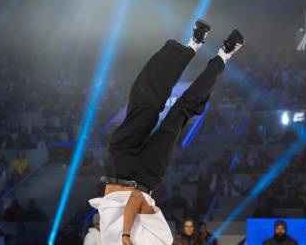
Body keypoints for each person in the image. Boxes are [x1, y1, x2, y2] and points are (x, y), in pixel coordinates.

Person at [90, 20, 245, 245]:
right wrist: (125, 235)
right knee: (180, 113)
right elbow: (136, 199)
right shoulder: (163, 240)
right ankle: (224, 55)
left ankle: (192, 44)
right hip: (145, 177)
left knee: (147, 103)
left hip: (118, 165)